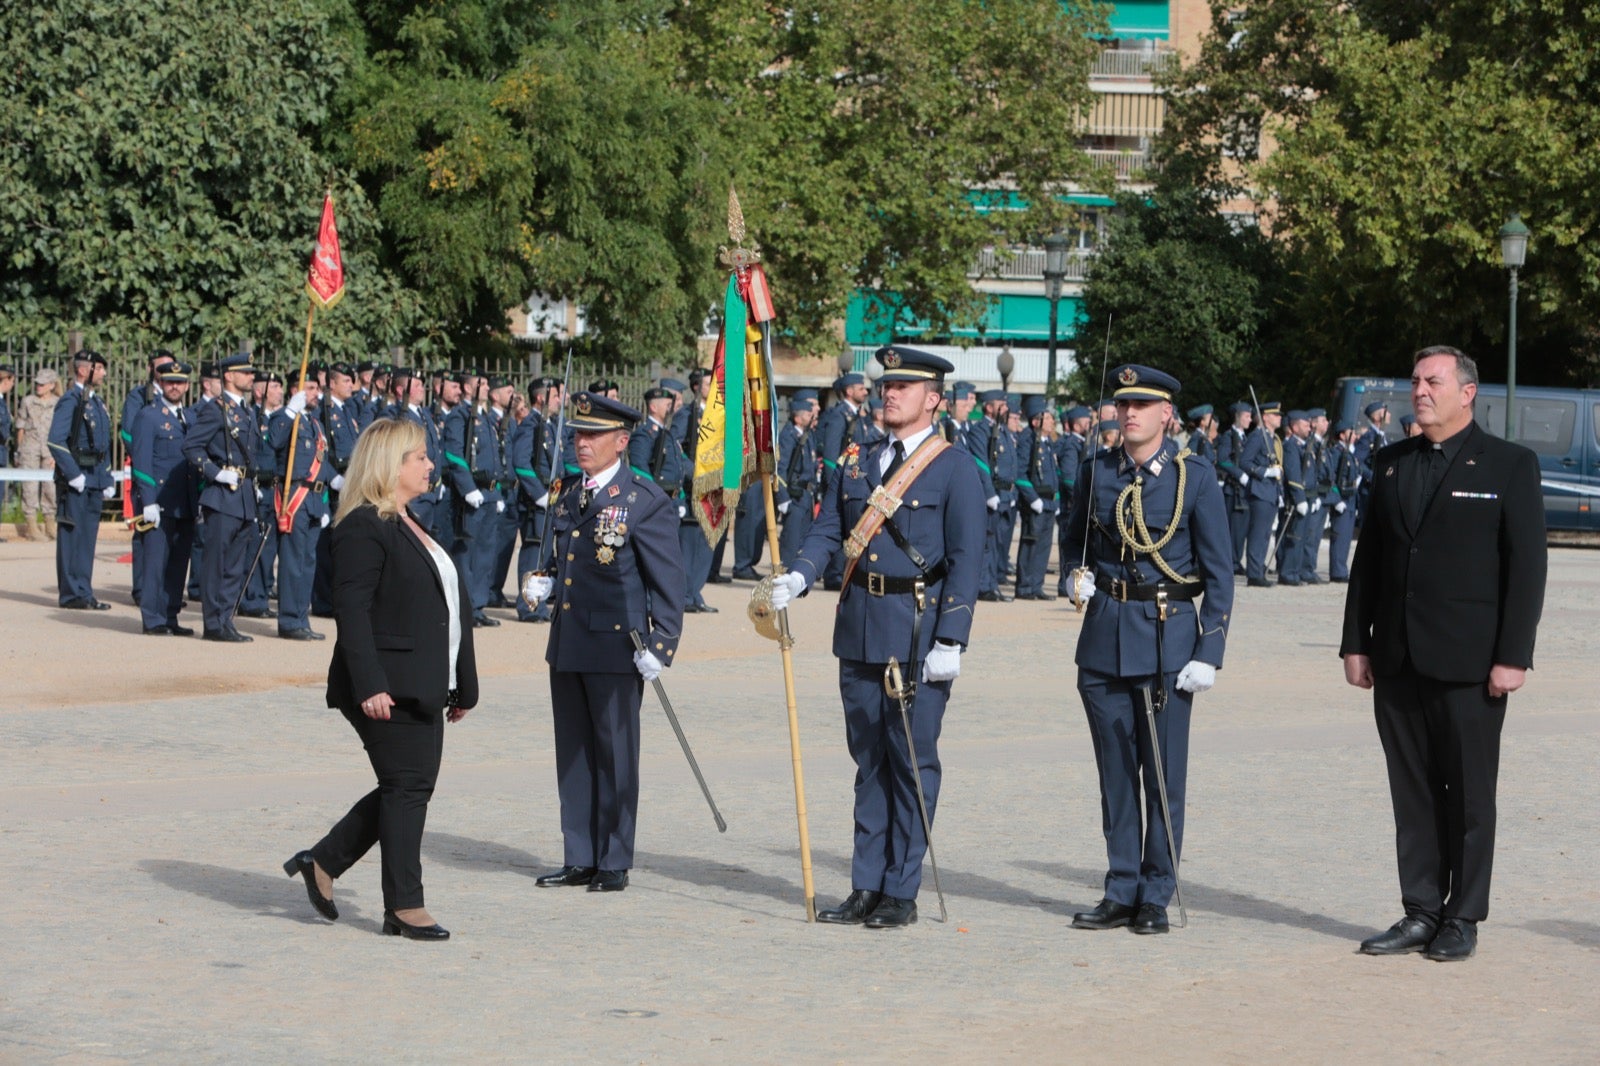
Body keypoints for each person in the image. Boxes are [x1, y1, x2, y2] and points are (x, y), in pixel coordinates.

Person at [761, 345, 984, 929]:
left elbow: (965, 562)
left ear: (933, 399)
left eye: (905, 387)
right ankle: (865, 883)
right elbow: (830, 527)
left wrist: (952, 639)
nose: (890, 393)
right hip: (859, 624)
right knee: (868, 762)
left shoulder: (955, 468)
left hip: (915, 630)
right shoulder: (858, 458)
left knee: (910, 761)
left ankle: (900, 889)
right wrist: (800, 575)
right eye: (888, 385)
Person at [1341, 345, 1547, 963]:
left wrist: (1513, 656)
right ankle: (1420, 909)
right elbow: (1369, 562)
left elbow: (1527, 568)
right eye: (1415, 381)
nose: (1420, 390)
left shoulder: (1509, 465)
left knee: (1470, 796)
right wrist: (1356, 642)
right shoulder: (1391, 462)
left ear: (1467, 392)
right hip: (1399, 658)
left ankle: (1463, 916)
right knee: (1413, 792)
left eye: (1432, 381)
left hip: (1471, 664)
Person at [285, 416, 479, 940]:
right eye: (418, 457)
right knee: (407, 786)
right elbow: (351, 610)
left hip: (421, 682)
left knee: (409, 785)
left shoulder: (410, 520)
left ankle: (322, 863)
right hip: (383, 684)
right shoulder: (361, 526)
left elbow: (447, 609)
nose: (429, 464)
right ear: (390, 465)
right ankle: (404, 906)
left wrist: (462, 683)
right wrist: (370, 682)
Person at [1062, 364, 1233, 935]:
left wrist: (1210, 651)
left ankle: (1156, 891)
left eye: (1141, 404)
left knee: (1161, 775)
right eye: (1122, 403)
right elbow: (1073, 544)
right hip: (1105, 637)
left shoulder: (1195, 478)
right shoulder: (1096, 473)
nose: (1128, 412)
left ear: (1166, 414)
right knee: (1114, 774)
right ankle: (1121, 886)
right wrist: (1071, 578)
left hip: (1167, 639)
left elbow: (1219, 573)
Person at [523, 393, 686, 894]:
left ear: (621, 441)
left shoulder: (644, 498)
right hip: (570, 640)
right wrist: (544, 578)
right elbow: (565, 554)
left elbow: (668, 583)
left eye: (592, 435)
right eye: (577, 434)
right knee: (573, 752)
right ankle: (580, 854)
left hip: (618, 645)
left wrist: (661, 645)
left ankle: (613, 858)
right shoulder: (568, 491)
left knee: (615, 754)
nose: (581, 443)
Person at [183, 351, 261, 641]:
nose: (251, 377)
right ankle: (213, 623)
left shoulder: (247, 411)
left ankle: (226, 619)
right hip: (222, 495)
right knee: (216, 564)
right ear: (229, 375)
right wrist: (215, 473)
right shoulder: (216, 409)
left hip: (243, 498)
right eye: (246, 372)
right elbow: (192, 447)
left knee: (234, 566)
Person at [130, 361, 198, 635]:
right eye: (170, 381)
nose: (175, 386)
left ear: (187, 386)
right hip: (158, 501)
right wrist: (147, 501)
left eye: (180, 382)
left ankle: (170, 616)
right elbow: (141, 462)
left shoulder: (190, 417)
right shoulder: (149, 416)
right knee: (155, 563)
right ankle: (153, 618)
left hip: (185, 502)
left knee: (178, 564)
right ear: (161, 383)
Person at [47, 349, 116, 609]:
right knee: (73, 537)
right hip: (76, 478)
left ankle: (84, 591)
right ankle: (71, 593)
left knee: (87, 538)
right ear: (83, 370)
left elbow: (103, 444)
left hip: (94, 478)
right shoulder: (71, 400)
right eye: (98, 369)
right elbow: (56, 440)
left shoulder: (95, 402)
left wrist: (106, 476)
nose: (103, 374)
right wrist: (73, 474)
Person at [269, 369, 331, 641]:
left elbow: (323, 466)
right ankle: (289, 621)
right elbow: (274, 441)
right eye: (310, 387)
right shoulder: (285, 419)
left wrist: (326, 505)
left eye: (317, 388)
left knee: (308, 562)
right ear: (295, 391)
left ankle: (301, 617)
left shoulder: (315, 424)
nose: (316, 393)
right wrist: (288, 413)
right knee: (293, 562)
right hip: (296, 497)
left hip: (315, 500)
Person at [1014, 396, 1059, 600]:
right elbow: (1020, 473)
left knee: (1044, 546)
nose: (1051, 422)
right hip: (1036, 502)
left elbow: (1052, 472)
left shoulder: (1047, 442)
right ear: (1035, 421)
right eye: (1047, 418)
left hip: (1049, 501)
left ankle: (1036, 585)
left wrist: (1056, 499)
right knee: (1031, 544)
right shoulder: (1027, 439)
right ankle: (1024, 586)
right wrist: (1033, 499)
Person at [1239, 400, 1283, 588]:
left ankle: (1258, 571)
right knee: (1258, 534)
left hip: (1270, 491)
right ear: (1265, 417)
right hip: (1260, 491)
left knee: (1265, 534)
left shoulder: (1271, 438)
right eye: (1276, 415)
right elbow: (1245, 462)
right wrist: (1264, 472)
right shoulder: (1258, 437)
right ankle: (1254, 574)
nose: (1279, 418)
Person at [15, 367, 61, 541]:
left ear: (51, 385)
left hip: (49, 449)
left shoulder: (58, 403)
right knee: (30, 486)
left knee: (51, 486)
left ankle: (50, 524)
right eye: (37, 384)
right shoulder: (27, 401)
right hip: (30, 448)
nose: (38, 387)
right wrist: (19, 451)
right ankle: (32, 526)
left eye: (42, 384)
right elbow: (20, 427)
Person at [1214, 401, 1254, 575]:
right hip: (1233, 488)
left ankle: (1236, 560)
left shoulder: (1246, 438)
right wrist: (1239, 474)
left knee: (1242, 528)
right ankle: (1230, 561)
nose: (1250, 420)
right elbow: (1222, 459)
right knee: (1233, 528)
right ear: (1237, 416)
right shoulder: (1228, 437)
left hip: (1245, 490)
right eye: (1246, 416)